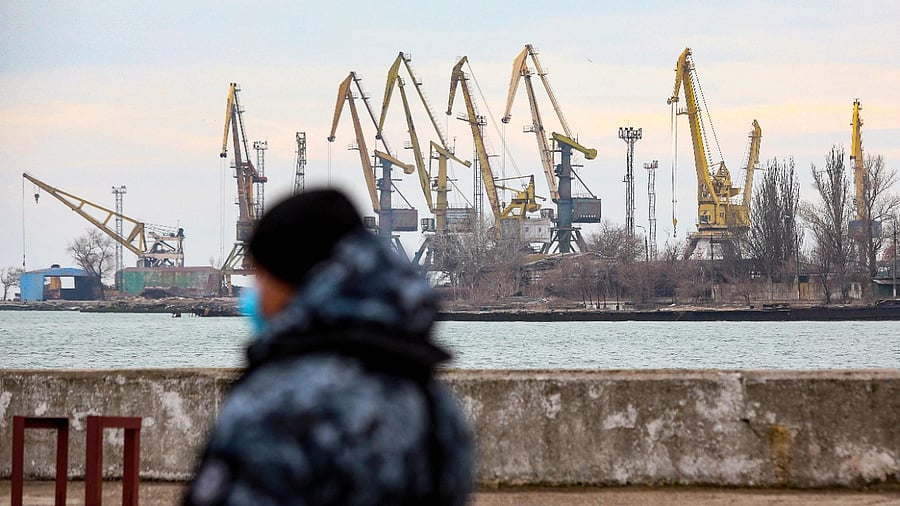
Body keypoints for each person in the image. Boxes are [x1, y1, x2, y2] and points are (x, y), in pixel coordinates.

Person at [183, 189, 474, 505]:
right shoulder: (433, 405)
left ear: (293, 280)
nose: (256, 294)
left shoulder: (278, 406)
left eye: (262, 277)